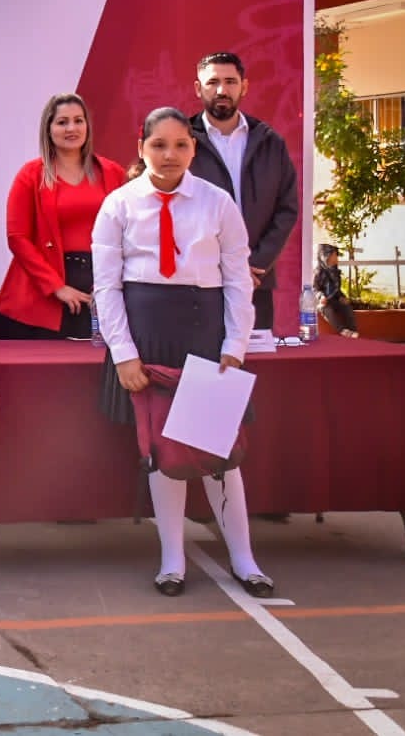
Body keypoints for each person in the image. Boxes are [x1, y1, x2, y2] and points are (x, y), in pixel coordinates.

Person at [92, 107, 274, 598]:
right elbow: (106, 287)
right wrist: (123, 353)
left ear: (194, 149)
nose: (169, 155)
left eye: (180, 145)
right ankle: (171, 559)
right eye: (158, 145)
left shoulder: (217, 203)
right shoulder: (118, 205)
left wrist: (235, 345)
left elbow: (238, 279)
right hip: (147, 338)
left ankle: (244, 558)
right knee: (163, 452)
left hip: (204, 336)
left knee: (218, 452)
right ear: (141, 147)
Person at [0, 93, 128, 339]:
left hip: (101, 286)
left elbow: (129, 234)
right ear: (49, 128)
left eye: (78, 120)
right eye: (62, 122)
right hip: (45, 292)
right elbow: (17, 238)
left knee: (98, 359)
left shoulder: (113, 173)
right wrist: (56, 287)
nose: (71, 128)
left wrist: (111, 281)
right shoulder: (30, 175)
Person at [188, 53, 298, 331]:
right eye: (212, 82)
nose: (221, 90)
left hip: (255, 282)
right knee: (199, 358)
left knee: (253, 356)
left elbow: (286, 209)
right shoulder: (181, 141)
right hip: (197, 285)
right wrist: (218, 265)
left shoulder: (270, 142)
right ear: (198, 88)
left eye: (230, 82)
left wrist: (256, 264)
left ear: (244, 87)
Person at [314, 244, 360, 338]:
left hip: (333, 300)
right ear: (326, 256)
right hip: (322, 302)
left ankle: (353, 331)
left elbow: (336, 289)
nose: (336, 257)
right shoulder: (318, 273)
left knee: (346, 307)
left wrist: (341, 297)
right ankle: (342, 331)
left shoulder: (335, 272)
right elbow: (315, 289)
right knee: (327, 310)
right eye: (334, 255)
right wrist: (321, 296)